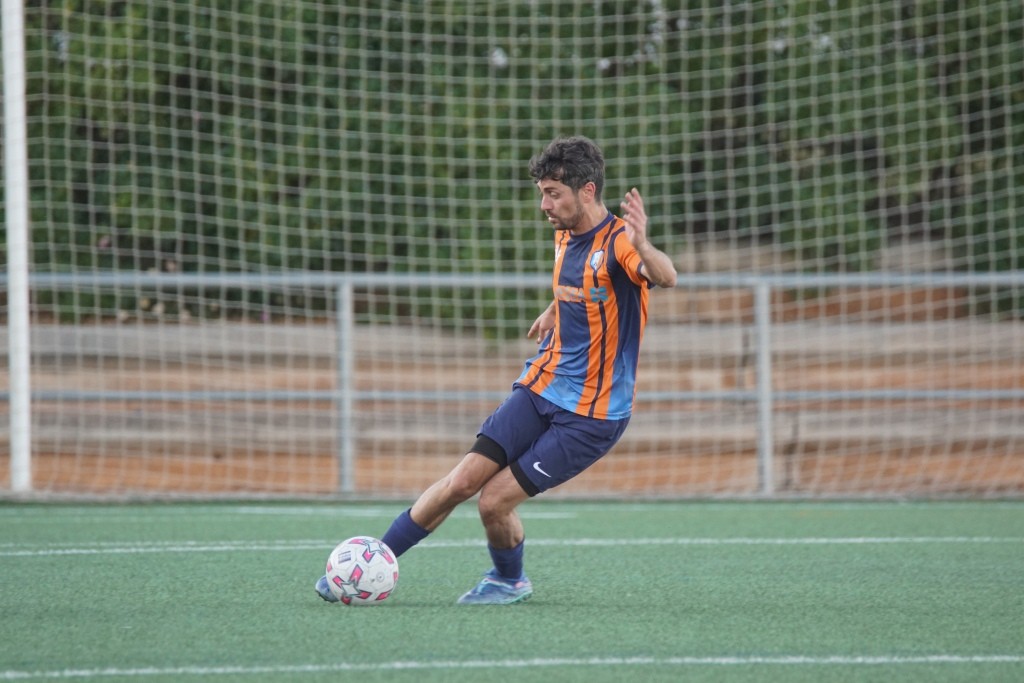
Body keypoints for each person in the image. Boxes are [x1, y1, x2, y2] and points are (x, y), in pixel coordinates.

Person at [316, 135, 677, 605]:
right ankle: (370, 562)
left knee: (492, 501)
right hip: (543, 385)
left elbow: (665, 276)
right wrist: (555, 308)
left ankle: (510, 580)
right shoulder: (565, 233)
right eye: (543, 193)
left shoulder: (621, 244)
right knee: (461, 481)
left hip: (591, 415)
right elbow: (586, 284)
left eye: (554, 194)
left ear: (587, 191)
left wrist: (644, 244)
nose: (545, 205)